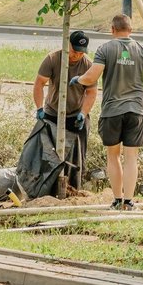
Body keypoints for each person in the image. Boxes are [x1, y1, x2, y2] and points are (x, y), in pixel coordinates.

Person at [71, 14, 143, 210]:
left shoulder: (105, 49)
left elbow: (92, 76)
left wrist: (78, 79)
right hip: (135, 111)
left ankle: (117, 200)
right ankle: (129, 201)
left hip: (112, 111)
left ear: (112, 29)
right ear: (131, 30)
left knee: (113, 155)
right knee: (131, 157)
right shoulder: (142, 49)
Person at [33, 30, 97, 189]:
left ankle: (73, 189)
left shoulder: (88, 65)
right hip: (52, 113)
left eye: (81, 52)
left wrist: (83, 113)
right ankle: (46, 188)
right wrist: (39, 108)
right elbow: (39, 84)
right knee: (48, 154)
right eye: (74, 51)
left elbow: (91, 93)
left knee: (77, 157)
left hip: (76, 116)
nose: (77, 55)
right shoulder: (53, 59)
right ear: (67, 45)